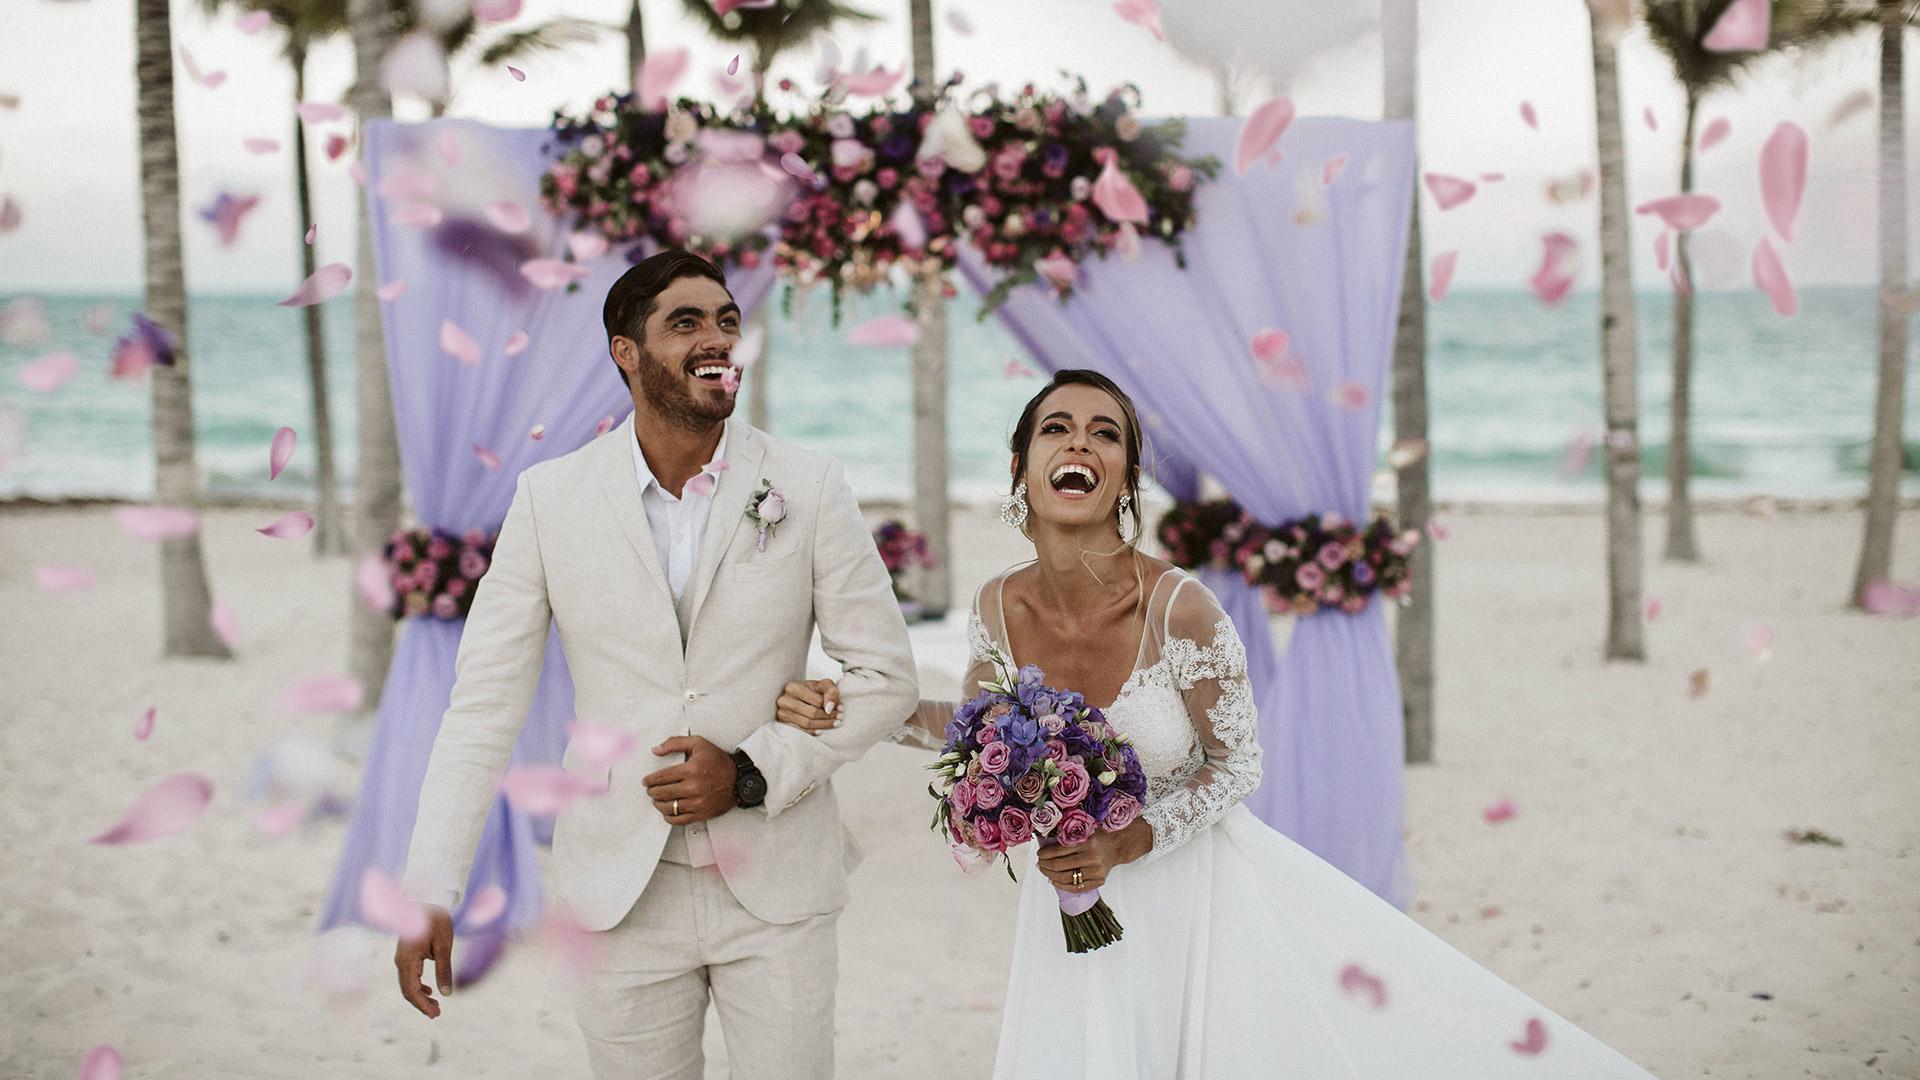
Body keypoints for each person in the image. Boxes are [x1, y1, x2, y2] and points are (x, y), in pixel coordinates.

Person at [775, 369, 1661, 1078]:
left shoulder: (1183, 609)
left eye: (1104, 433)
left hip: (1195, 901)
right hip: (1065, 905)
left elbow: (1236, 766)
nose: (1079, 442)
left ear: (1125, 475)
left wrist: (1129, 840)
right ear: (1021, 467)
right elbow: (976, 729)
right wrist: (855, 703)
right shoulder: (995, 602)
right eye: (1056, 428)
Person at [393, 250, 919, 1080]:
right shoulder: (548, 500)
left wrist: (751, 771)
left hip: (779, 886)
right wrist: (432, 888)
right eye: (686, 323)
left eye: (727, 322)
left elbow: (885, 677)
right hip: (617, 894)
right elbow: (483, 710)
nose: (717, 340)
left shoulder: (809, 485)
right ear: (625, 352)